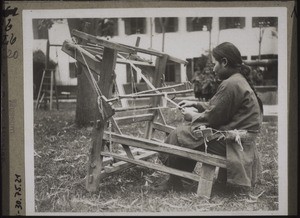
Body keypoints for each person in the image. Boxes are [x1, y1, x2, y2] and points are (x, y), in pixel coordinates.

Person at [152, 42, 264, 192]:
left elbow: (213, 118)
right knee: (189, 133)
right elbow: (220, 108)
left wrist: (192, 115)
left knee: (181, 134)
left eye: (215, 63)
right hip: (238, 141)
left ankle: (175, 180)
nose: (213, 68)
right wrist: (196, 104)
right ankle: (179, 177)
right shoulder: (238, 80)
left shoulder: (231, 84)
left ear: (224, 62)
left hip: (232, 144)